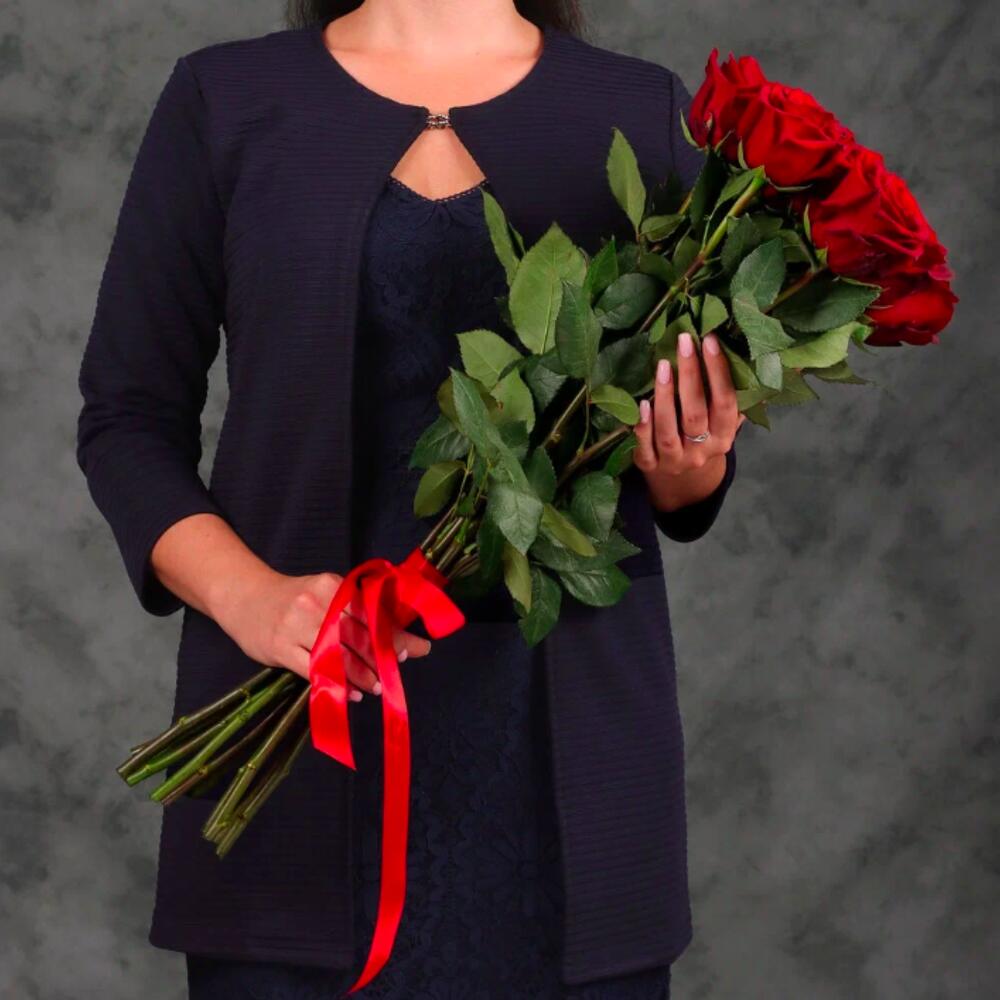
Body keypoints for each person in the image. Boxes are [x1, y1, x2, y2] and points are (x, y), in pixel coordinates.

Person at [76, 2, 745, 996]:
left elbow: (676, 474)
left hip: (570, 778)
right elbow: (126, 420)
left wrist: (692, 456)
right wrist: (256, 601)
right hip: (297, 752)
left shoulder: (639, 111)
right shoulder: (226, 100)